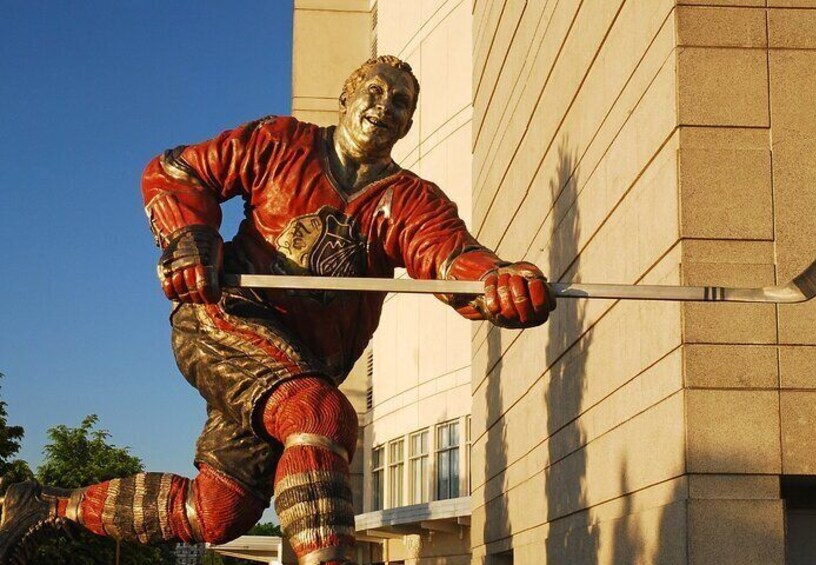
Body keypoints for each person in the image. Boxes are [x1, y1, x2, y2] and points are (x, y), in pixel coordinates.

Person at [0, 56, 553, 565]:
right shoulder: (279, 142)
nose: (385, 106)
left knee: (216, 513)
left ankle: (48, 506)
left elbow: (448, 256)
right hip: (227, 321)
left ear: (407, 126)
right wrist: (189, 237)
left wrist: (497, 282)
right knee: (320, 413)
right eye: (376, 92)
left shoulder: (410, 200)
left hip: (294, 368)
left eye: (401, 103)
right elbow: (177, 172)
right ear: (347, 97)